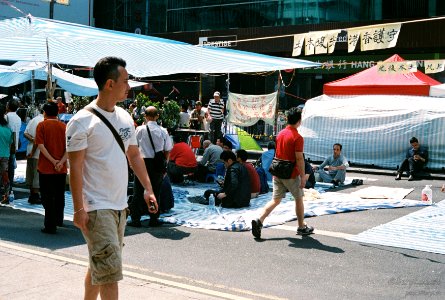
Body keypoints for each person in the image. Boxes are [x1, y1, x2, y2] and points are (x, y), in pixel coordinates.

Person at [66, 57, 157, 300]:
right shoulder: (81, 122)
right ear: (109, 84)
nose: (129, 86)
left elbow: (135, 156)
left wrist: (148, 188)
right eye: (125, 81)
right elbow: (74, 167)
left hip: (120, 206)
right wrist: (78, 209)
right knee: (110, 273)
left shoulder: (125, 117)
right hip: (97, 207)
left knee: (101, 264)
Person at [251, 107, 314, 239]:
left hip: (277, 171)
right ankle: (301, 226)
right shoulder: (297, 137)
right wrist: (302, 177)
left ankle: (259, 220)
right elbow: (299, 158)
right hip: (291, 174)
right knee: (298, 198)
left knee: (275, 200)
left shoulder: (280, 134)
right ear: (299, 121)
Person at [127, 106, 172, 227]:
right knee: (155, 190)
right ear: (157, 116)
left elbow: (132, 147)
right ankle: (153, 217)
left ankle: (136, 218)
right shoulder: (163, 130)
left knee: (138, 189)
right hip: (157, 163)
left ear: (145, 116)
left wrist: (131, 163)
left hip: (141, 162)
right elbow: (167, 150)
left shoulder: (140, 130)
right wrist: (165, 164)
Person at [35, 102, 68, 234]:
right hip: (61, 167)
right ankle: (59, 219)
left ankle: (50, 225)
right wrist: (60, 162)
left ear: (44, 112)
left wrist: (53, 161)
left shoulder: (42, 125)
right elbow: (69, 148)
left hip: (46, 167)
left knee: (48, 197)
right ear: (57, 113)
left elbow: (41, 146)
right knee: (60, 195)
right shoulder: (64, 126)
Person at [24, 106, 44, 204]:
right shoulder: (44, 121)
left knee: (31, 173)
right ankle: (35, 195)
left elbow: (25, 133)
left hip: (30, 149)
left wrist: (32, 140)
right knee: (37, 174)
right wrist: (35, 141)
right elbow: (39, 141)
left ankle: (32, 194)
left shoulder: (33, 120)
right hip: (38, 152)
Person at [5, 99, 21, 199]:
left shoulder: (6, 117)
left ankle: (6, 186)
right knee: (11, 166)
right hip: (14, 145)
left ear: (8, 106)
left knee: (4, 166)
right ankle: (10, 186)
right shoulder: (18, 118)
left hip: (6, 144)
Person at [0, 105, 13, 204]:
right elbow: (10, 144)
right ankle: (6, 196)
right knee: (5, 176)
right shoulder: (8, 129)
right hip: (5, 155)